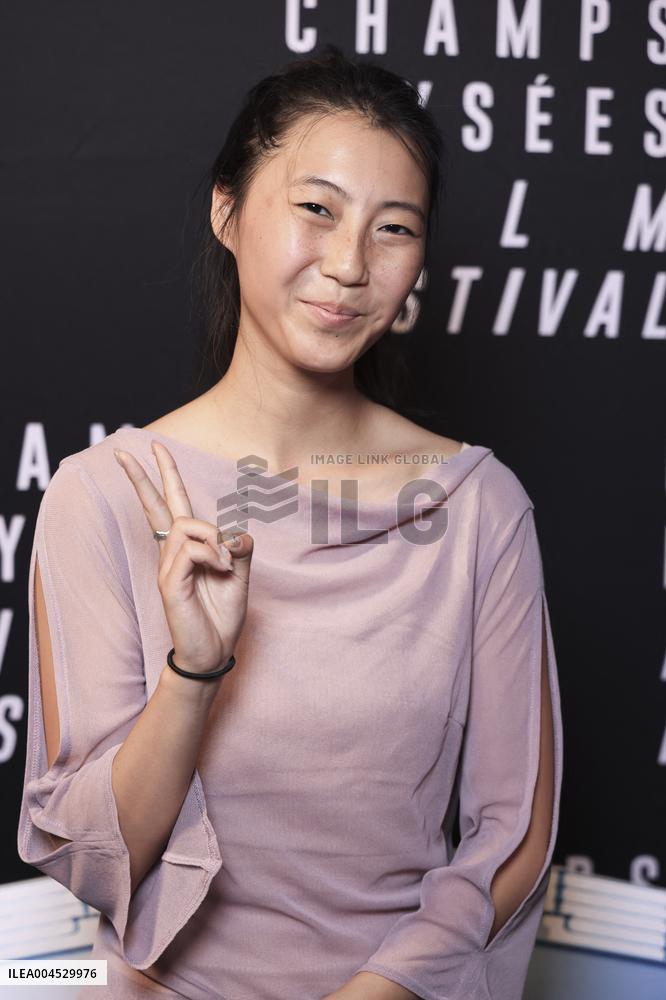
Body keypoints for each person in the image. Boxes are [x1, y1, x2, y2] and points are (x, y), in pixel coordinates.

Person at [17, 45, 563, 1000]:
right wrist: (193, 674)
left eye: (394, 229)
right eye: (316, 208)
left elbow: (511, 839)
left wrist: (378, 992)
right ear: (227, 211)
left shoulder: (479, 507)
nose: (349, 264)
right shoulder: (107, 494)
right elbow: (98, 855)